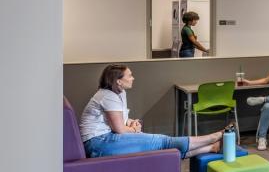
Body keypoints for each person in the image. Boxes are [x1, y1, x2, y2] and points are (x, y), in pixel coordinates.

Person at [81, 64, 227, 158]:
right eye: (130, 75)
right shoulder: (108, 96)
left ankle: (211, 148)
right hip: (98, 143)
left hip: (105, 139)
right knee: (162, 141)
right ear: (118, 81)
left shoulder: (119, 93)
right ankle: (214, 137)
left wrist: (131, 123)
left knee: (161, 150)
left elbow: (121, 119)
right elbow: (119, 128)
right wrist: (134, 129)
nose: (133, 78)